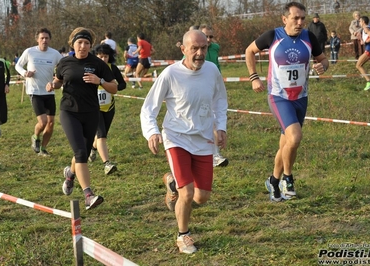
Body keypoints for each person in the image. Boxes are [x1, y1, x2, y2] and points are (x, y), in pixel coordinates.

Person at [140, 30, 228, 254]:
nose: (199, 53)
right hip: (176, 138)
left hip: (204, 139)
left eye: (203, 48)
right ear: (183, 49)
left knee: (201, 197)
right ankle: (183, 235)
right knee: (187, 193)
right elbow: (149, 108)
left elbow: (220, 100)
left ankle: (172, 182)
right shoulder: (170, 74)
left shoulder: (212, 71)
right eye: (194, 49)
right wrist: (151, 132)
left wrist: (221, 127)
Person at [245, 2, 329, 202]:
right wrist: (253, 77)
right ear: (285, 19)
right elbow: (249, 51)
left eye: (302, 19)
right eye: (295, 18)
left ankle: (273, 181)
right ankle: (288, 178)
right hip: (278, 96)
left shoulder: (309, 37)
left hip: (301, 97)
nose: (299, 22)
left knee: (287, 143)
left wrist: (323, 66)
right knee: (295, 137)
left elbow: (323, 59)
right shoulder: (272, 36)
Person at [46, 27, 117, 210]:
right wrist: (53, 84)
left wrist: (99, 81)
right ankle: (88, 195)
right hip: (69, 111)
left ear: (90, 45)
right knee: (80, 153)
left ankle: (70, 175)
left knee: (82, 154)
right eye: (80, 42)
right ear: (73, 44)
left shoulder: (98, 64)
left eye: (86, 43)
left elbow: (114, 87)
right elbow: (59, 80)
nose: (83, 46)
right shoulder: (65, 62)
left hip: (91, 112)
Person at [15, 28, 63, 156]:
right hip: (35, 91)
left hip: (49, 91)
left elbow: (64, 66)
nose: (44, 40)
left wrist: (57, 79)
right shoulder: (30, 52)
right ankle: (35, 136)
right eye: (42, 38)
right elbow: (18, 65)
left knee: (51, 122)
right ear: (37, 39)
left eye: (47, 38)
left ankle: (43, 148)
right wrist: (25, 73)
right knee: (43, 122)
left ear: (50, 40)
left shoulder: (54, 54)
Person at [88, 43, 126, 175]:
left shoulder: (112, 68)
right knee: (101, 135)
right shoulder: (91, 68)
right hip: (94, 108)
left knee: (101, 136)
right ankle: (107, 164)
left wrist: (113, 88)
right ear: (96, 56)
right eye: (100, 56)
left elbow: (122, 84)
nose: (103, 59)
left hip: (109, 108)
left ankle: (92, 149)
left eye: (105, 56)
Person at [199, 24, 228, 167]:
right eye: (206, 36)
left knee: (215, 119)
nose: (209, 39)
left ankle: (215, 155)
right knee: (207, 121)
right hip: (200, 88)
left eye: (211, 36)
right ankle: (210, 154)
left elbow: (216, 65)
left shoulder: (215, 48)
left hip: (215, 85)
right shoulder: (194, 52)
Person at [0, 47, 10, 147]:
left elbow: (8, 75)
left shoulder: (2, 64)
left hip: (1, 95)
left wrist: (7, 84)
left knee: (4, 118)